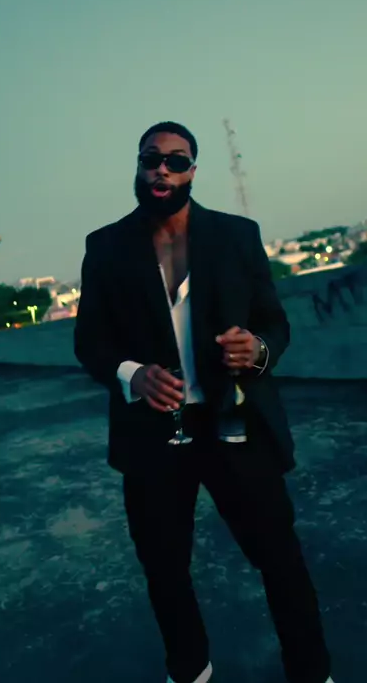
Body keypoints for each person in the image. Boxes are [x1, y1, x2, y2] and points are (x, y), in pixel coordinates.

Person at [74, 122, 334, 683]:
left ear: (192, 170)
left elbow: (274, 322)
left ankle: (311, 672)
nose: (162, 170)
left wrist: (258, 349)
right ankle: (190, 670)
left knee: (280, 558)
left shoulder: (237, 235)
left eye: (176, 160)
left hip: (234, 422)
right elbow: (89, 342)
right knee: (164, 568)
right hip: (152, 434)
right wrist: (133, 374)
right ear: (139, 166)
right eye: (152, 159)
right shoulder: (105, 246)